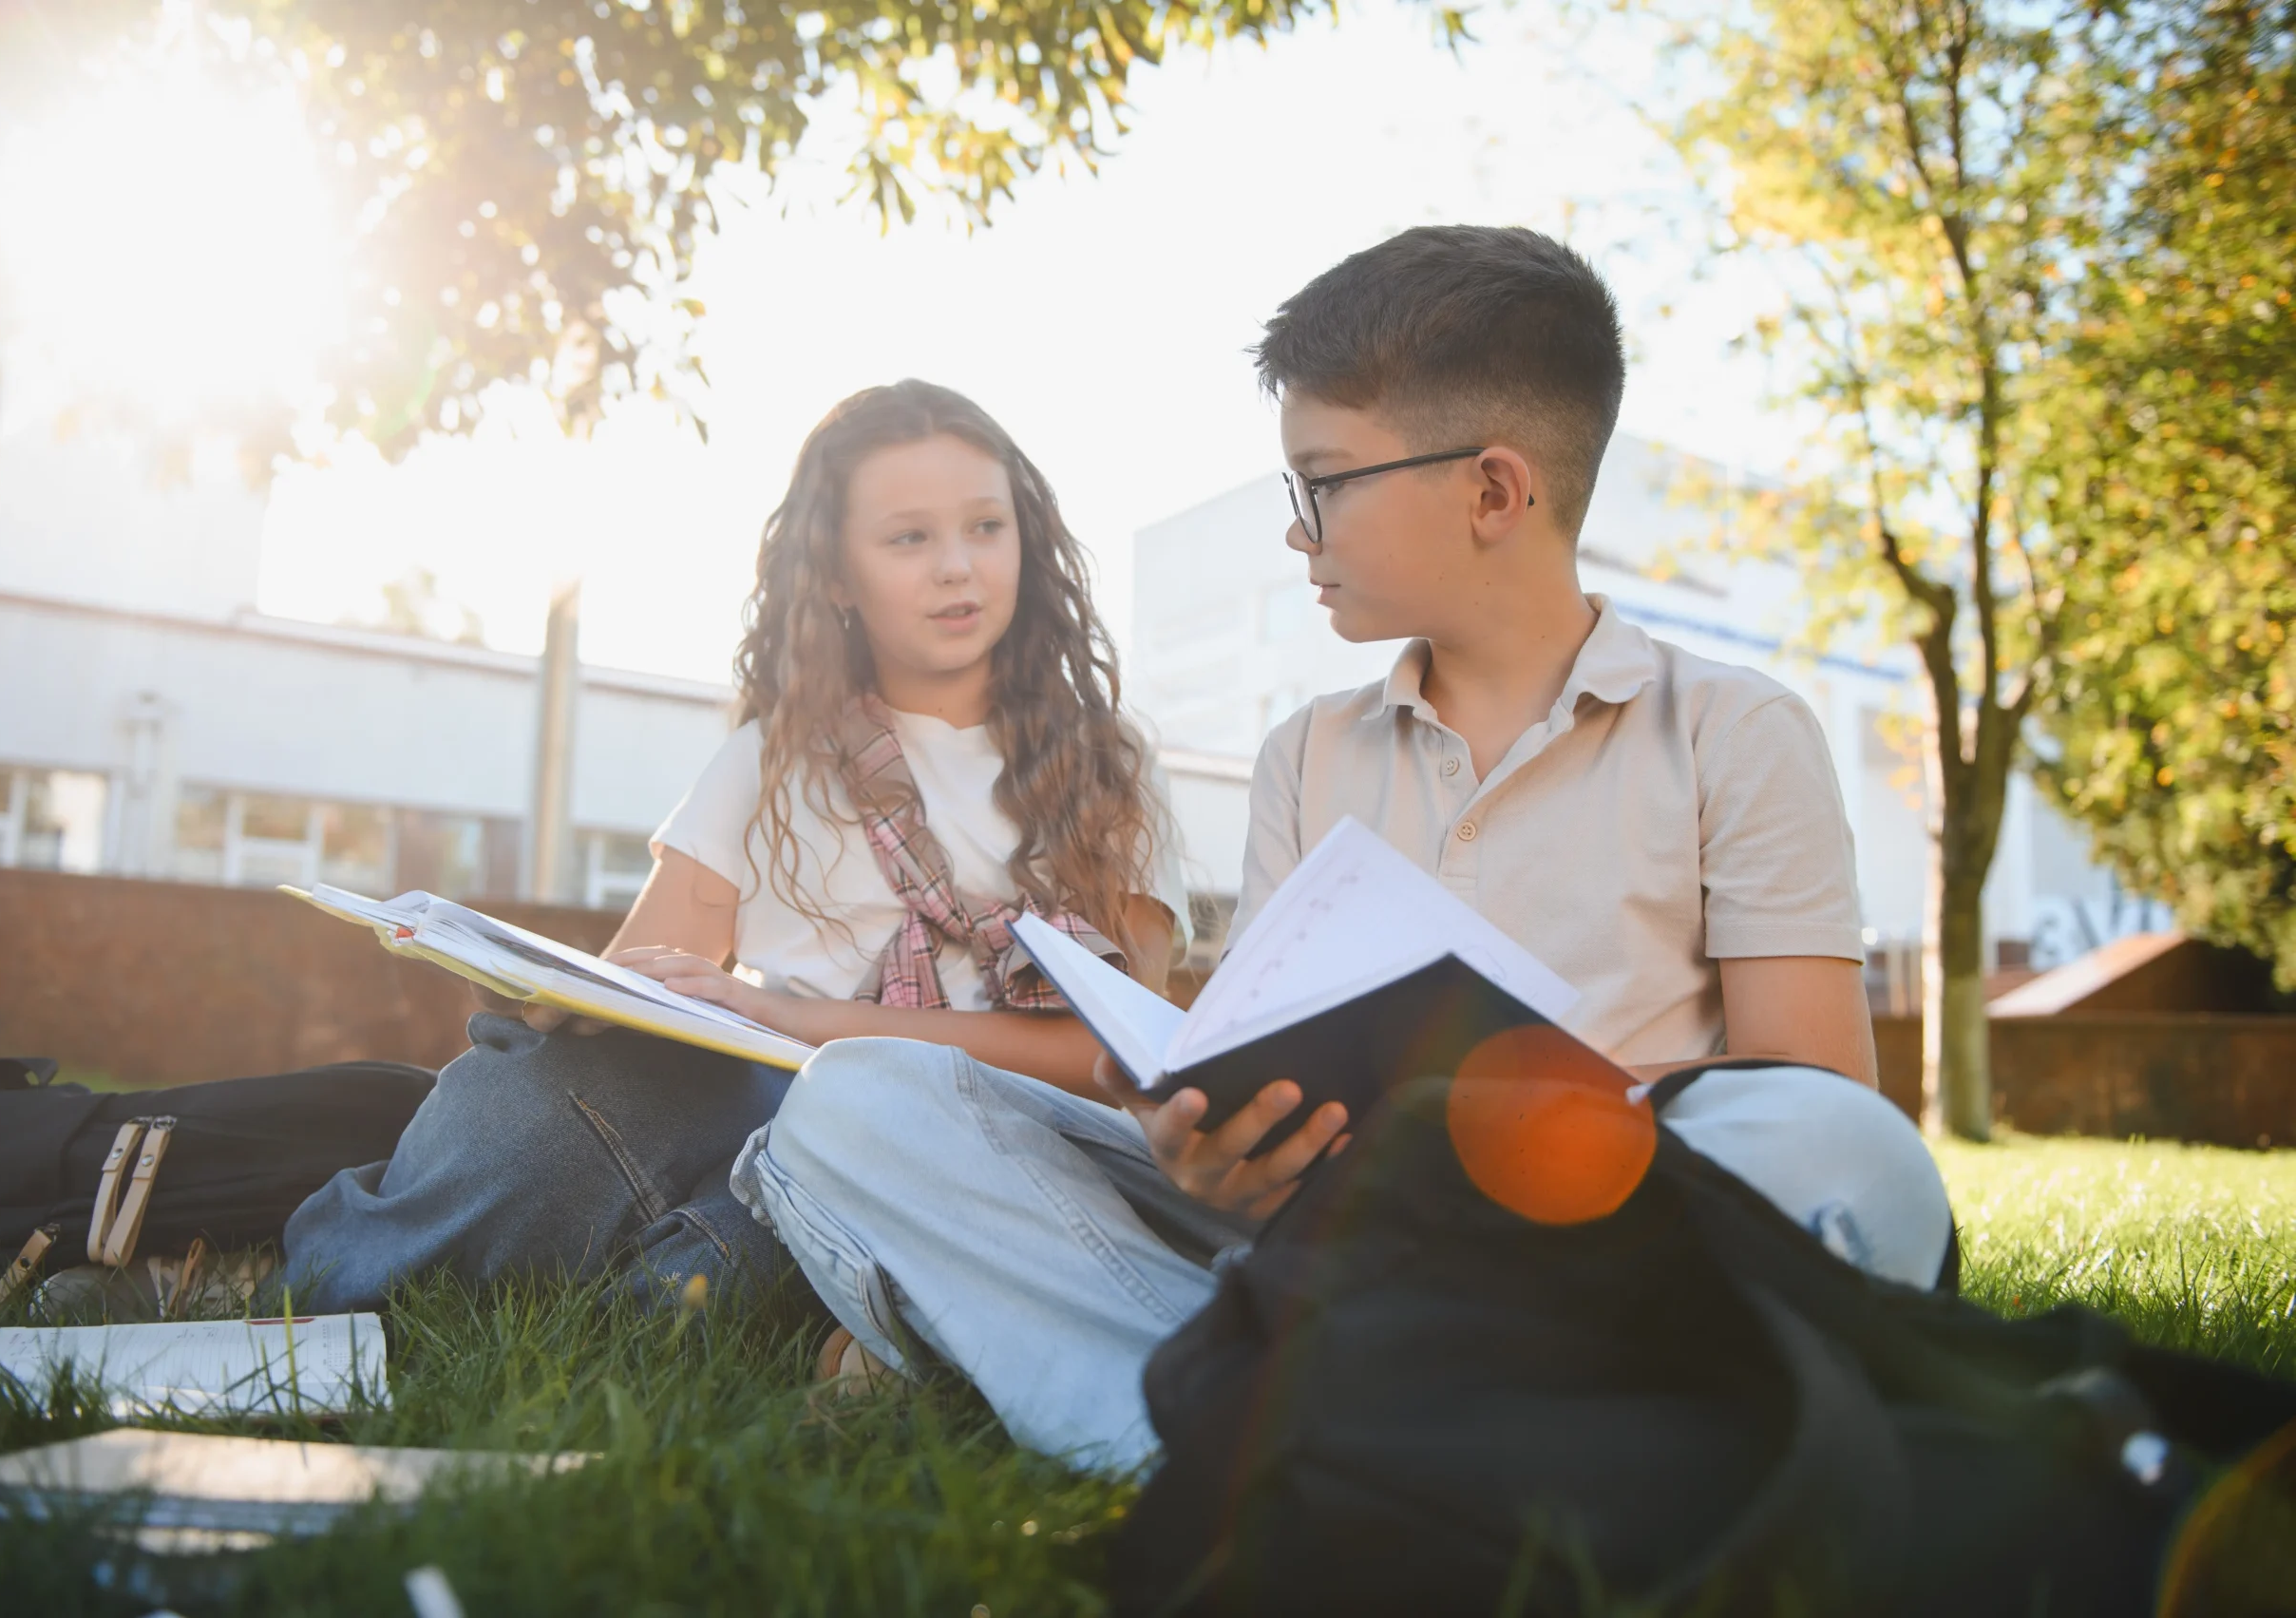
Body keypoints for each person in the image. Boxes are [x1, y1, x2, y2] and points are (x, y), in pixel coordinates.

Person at [731, 226, 1952, 1471]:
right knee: (861, 1104)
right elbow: (1260, 1078)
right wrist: (1215, 1152)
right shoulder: (1307, 754)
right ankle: (1267, 1416)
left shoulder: (1736, 730)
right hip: (1332, 1246)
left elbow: (1811, 1099)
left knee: (1851, 1153)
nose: (1296, 531)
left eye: (1322, 483)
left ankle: (1247, 1405)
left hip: (1611, 1258)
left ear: (1491, 490)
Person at [284, 380, 1187, 1314]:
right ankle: (309, 1287)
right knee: (535, 1102)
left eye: (985, 527)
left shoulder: (1107, 766)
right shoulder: (770, 761)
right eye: (909, 537)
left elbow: (1116, 1060)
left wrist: (807, 1025)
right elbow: (643, 987)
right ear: (836, 574)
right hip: (768, 1100)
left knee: (713, 1269)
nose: (957, 566)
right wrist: (556, 998)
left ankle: (660, 1279)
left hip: (983, 1146)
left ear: (1026, 542)